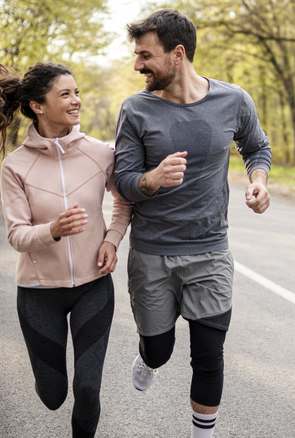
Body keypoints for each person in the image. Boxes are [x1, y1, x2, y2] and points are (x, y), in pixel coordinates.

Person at [0, 56, 132, 438]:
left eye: (77, 92)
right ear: (38, 106)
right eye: (66, 94)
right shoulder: (16, 165)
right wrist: (54, 230)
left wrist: (111, 240)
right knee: (53, 395)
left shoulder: (100, 154)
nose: (77, 100)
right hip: (38, 293)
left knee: (87, 389)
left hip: (93, 286)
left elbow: (124, 202)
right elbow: (16, 235)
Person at [113, 9, 272, 438]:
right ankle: (148, 357)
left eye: (146, 55)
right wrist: (151, 179)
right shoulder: (135, 110)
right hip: (152, 253)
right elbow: (123, 182)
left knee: (208, 355)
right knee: (161, 351)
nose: (137, 65)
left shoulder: (233, 100)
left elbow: (256, 146)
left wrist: (259, 181)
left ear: (177, 53)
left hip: (210, 250)